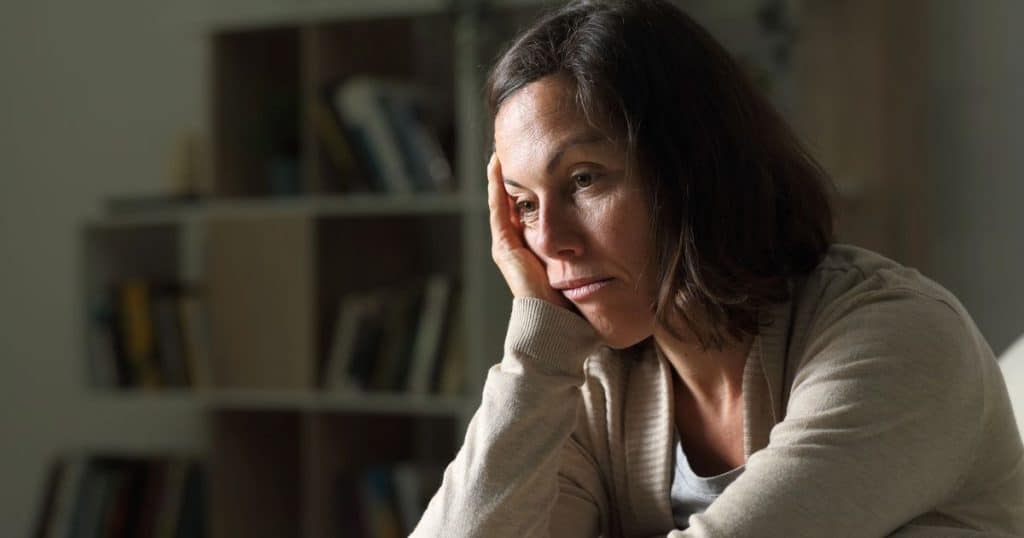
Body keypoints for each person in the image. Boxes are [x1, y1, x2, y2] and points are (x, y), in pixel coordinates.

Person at [411, 0, 1024, 536]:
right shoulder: (589, 384)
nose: (548, 240)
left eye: (584, 179)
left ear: (693, 170)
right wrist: (537, 352)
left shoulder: (899, 341)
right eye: (522, 204)